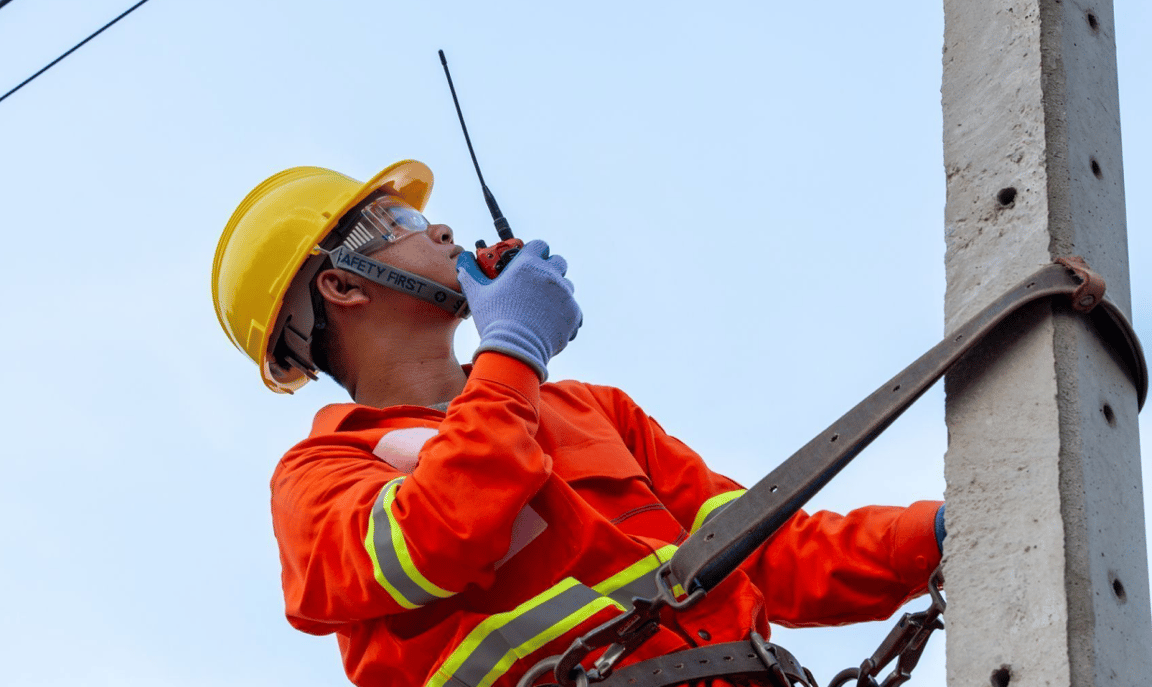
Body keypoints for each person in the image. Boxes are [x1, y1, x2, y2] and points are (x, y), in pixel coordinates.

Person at [211, 160, 944, 687]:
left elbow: (763, 551)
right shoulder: (324, 473)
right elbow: (440, 532)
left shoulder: (590, 411)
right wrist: (512, 351)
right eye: (395, 220)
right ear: (341, 284)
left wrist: (941, 535)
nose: (437, 226)